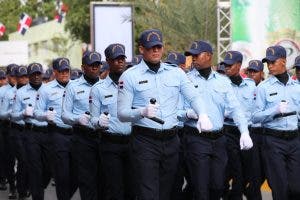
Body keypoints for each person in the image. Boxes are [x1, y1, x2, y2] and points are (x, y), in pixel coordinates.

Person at [117, 29, 213, 200]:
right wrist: (142, 112)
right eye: (151, 47)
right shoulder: (129, 76)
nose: (155, 50)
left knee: (166, 192)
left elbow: (194, 96)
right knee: (148, 193)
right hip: (145, 141)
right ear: (141, 49)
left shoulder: (175, 73)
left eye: (158, 47)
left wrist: (203, 114)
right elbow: (122, 114)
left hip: (171, 141)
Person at [180, 41, 252, 200]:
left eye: (196, 55)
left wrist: (244, 132)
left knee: (218, 186)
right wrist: (189, 114)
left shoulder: (223, 81)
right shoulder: (185, 80)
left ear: (208, 56)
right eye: (192, 56)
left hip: (219, 140)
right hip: (196, 138)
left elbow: (236, 109)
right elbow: (176, 111)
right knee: (201, 188)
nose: (193, 59)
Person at [253, 45, 300, 200]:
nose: (270, 66)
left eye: (273, 62)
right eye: (268, 63)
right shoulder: (263, 88)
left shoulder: (297, 87)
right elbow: (255, 116)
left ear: (284, 62)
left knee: (296, 188)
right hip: (273, 141)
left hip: (294, 140)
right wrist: (273, 111)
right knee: (280, 188)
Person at [90, 43, 133, 200]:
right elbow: (93, 119)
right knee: (115, 189)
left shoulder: (132, 83)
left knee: (132, 188)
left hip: (133, 142)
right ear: (107, 61)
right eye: (116, 59)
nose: (120, 62)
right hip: (110, 143)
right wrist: (98, 121)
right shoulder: (98, 88)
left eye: (122, 58)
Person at [34, 58, 76, 200]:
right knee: (62, 175)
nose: (64, 73)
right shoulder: (45, 89)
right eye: (61, 71)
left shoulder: (76, 86)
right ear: (55, 72)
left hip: (77, 134)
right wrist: (46, 115)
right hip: (57, 134)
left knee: (78, 175)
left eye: (66, 70)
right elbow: (36, 113)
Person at [62, 51, 102, 200]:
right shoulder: (72, 86)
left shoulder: (106, 85)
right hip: (83, 138)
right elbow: (64, 115)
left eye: (97, 65)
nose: (94, 68)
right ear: (83, 67)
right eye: (91, 65)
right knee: (87, 181)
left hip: (104, 137)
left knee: (104, 181)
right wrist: (78, 119)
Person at [222, 50, 255, 200]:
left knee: (248, 172)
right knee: (237, 171)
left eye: (230, 65)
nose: (227, 67)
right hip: (229, 131)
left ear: (239, 65)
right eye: (225, 65)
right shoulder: (221, 84)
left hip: (247, 133)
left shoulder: (250, 85)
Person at [11, 63, 47, 200]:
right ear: (29, 75)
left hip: (48, 132)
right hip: (29, 133)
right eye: (33, 74)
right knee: (32, 166)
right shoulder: (20, 93)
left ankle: (34, 186)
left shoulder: (49, 90)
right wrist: (23, 114)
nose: (36, 76)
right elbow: (13, 116)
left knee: (49, 167)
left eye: (39, 73)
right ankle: (32, 192)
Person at [245, 60, 265, 200]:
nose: (252, 74)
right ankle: (253, 193)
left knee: (266, 170)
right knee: (255, 170)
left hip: (267, 133)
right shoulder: (244, 87)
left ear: (262, 74)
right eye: (250, 71)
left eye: (255, 72)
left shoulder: (267, 87)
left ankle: (251, 190)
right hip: (252, 132)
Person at [0, 64, 17, 198]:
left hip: (23, 129)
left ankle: (22, 183)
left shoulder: (26, 88)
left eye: (16, 75)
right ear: (8, 76)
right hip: (6, 127)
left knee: (25, 160)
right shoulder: (2, 91)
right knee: (8, 159)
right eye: (11, 75)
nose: (14, 78)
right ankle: (12, 185)